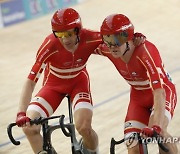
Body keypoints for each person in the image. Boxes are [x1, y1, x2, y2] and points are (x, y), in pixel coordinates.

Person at [15, 8, 145, 154]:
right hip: (53, 86)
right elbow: (31, 81)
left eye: (69, 34)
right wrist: (21, 113)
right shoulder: (49, 45)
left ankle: (92, 151)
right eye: (60, 34)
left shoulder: (90, 37)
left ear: (78, 30)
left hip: (79, 84)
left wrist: (132, 38)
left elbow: (116, 38)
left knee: (84, 128)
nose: (65, 40)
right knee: (29, 127)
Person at [98, 14, 178, 154]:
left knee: (159, 133)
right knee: (133, 147)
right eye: (108, 39)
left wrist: (157, 127)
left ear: (128, 37)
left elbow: (159, 91)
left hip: (161, 92)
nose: (112, 45)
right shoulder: (108, 49)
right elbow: (87, 40)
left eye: (118, 40)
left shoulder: (146, 52)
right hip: (138, 99)